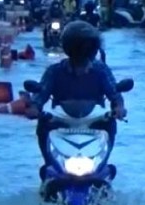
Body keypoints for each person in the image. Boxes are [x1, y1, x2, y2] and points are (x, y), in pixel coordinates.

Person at [25, 20, 127, 184]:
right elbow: (40, 95)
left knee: (110, 124)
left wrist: (119, 109)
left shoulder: (100, 71)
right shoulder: (55, 71)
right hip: (60, 123)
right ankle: (50, 164)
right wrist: (34, 109)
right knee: (43, 126)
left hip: (93, 123)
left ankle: (101, 166)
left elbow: (115, 94)